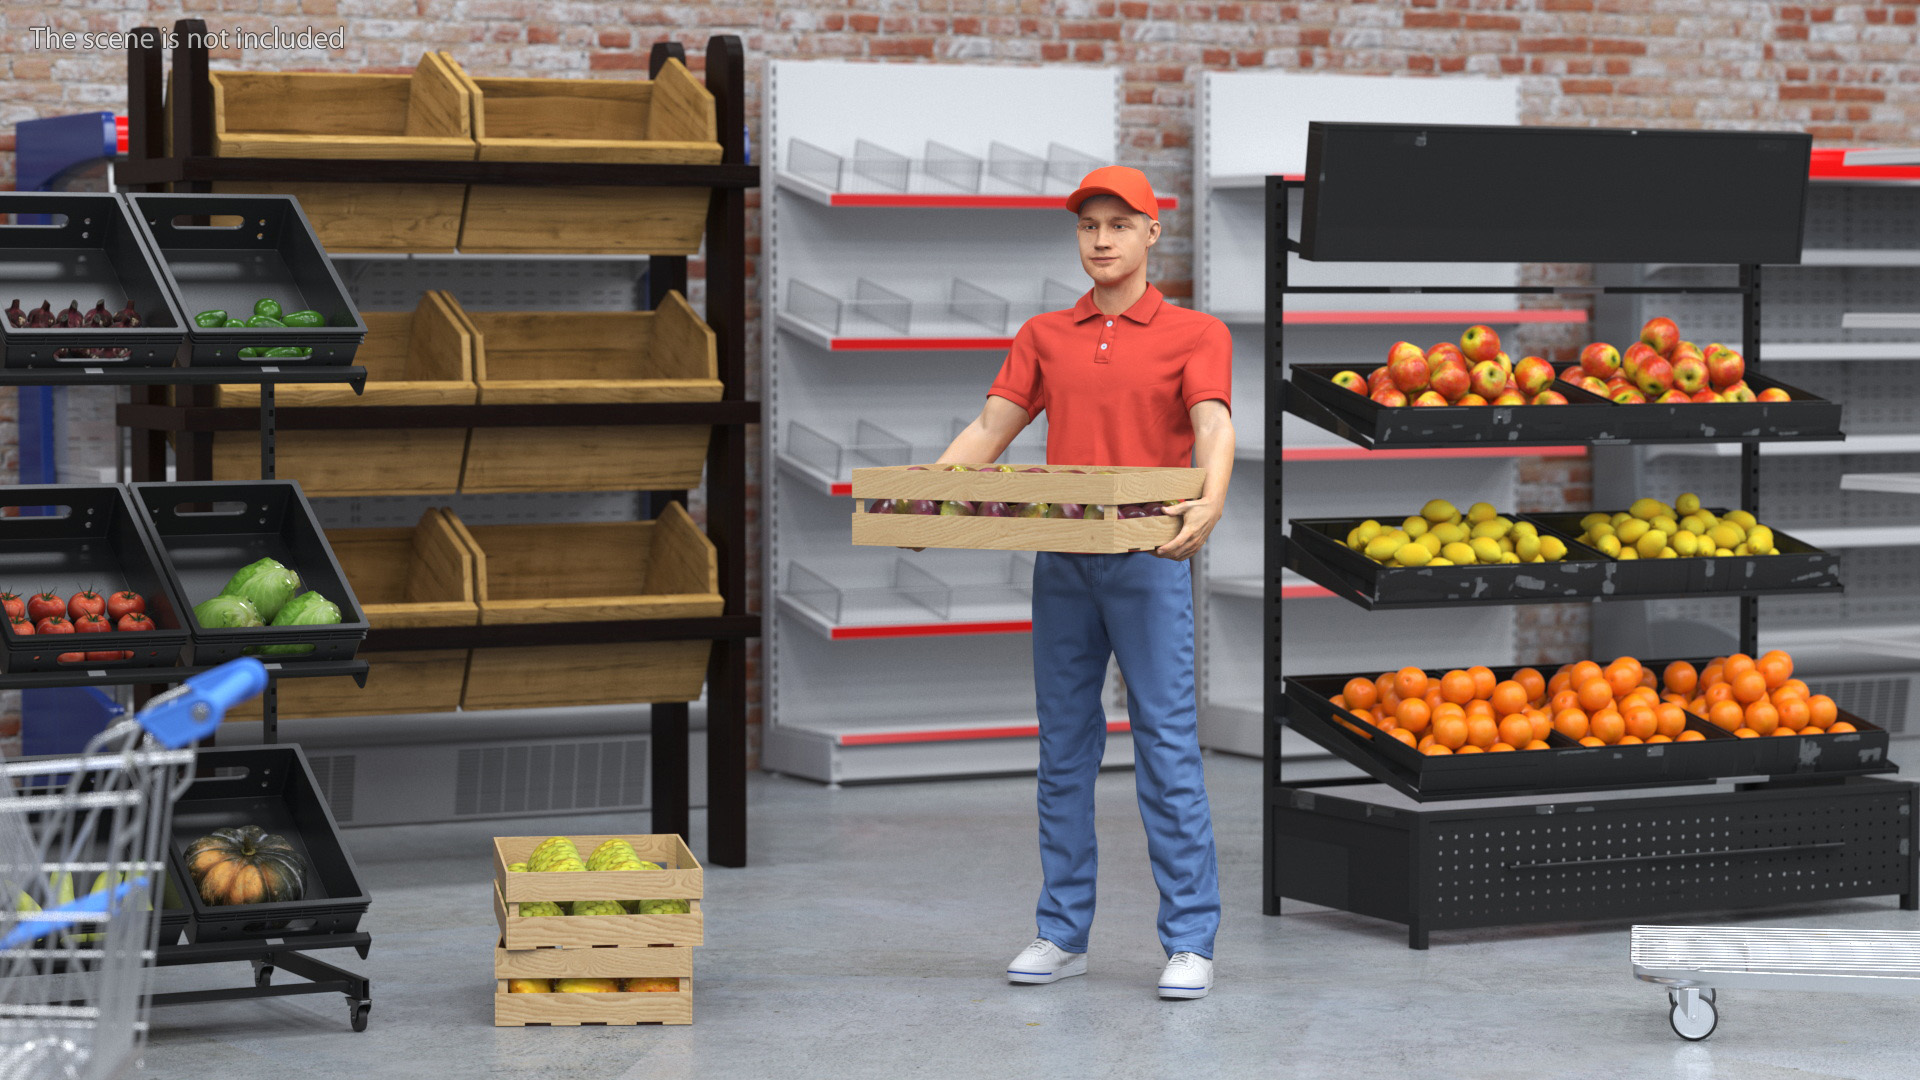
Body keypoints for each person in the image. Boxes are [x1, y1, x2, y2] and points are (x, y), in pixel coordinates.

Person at [930, 165, 1234, 1000]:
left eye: (1118, 223)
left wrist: (1211, 497)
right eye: (1088, 225)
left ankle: (1191, 939)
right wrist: (922, 499)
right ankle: (1062, 933)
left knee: (1166, 751)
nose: (1100, 239)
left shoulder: (1197, 333)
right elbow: (992, 426)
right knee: (1063, 753)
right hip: (1062, 562)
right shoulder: (1043, 334)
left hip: (1148, 562)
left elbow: (1214, 423)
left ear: (1151, 233)